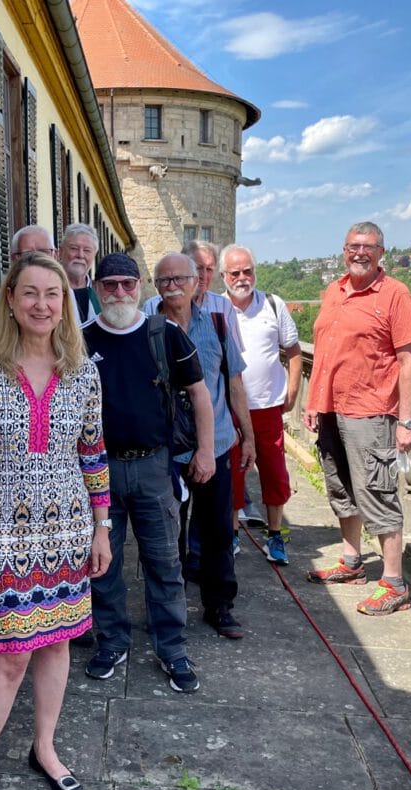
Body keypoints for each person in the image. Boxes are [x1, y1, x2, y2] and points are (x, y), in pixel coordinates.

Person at [0, 252, 111, 790]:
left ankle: (44, 746)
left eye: (53, 294)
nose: (42, 304)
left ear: (65, 303)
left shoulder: (83, 372)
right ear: (11, 301)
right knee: (9, 656)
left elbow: (92, 454)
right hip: (4, 531)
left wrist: (101, 526)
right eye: (30, 293)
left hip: (68, 528)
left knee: (59, 644)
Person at [83, 252, 214, 693]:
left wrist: (206, 452)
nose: (119, 292)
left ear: (140, 286)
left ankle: (172, 647)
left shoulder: (165, 334)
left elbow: (199, 395)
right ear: (97, 289)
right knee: (104, 562)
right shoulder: (79, 341)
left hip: (155, 467)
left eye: (127, 283)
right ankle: (112, 640)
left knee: (164, 561)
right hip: (97, 474)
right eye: (110, 285)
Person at [303, 221, 411, 616]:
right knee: (340, 488)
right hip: (332, 409)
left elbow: (408, 361)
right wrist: (314, 401)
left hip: (372, 412)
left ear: (381, 252)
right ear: (343, 250)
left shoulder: (394, 295)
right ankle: (352, 562)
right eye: (354, 246)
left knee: (378, 492)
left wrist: (406, 422)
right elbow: (324, 352)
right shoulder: (334, 291)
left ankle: (394, 582)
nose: (360, 253)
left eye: (368, 247)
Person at [154, 253, 255, 639]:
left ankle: (220, 606)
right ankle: (169, 607)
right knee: (168, 536)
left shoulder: (217, 322)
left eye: (181, 278)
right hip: (168, 450)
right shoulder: (149, 327)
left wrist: (248, 439)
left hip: (215, 445)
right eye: (165, 281)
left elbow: (233, 384)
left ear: (197, 282)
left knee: (216, 532)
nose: (173, 286)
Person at [221, 243, 302, 564]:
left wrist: (293, 391)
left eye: (248, 271)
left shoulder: (273, 304)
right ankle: (233, 535)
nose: (242, 278)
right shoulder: (218, 308)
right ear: (224, 276)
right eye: (235, 272)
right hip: (229, 408)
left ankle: (275, 535)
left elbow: (294, 351)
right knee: (232, 474)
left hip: (268, 406)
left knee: (274, 472)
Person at [0, 225, 80, 325]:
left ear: (55, 255)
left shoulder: (67, 296)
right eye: (28, 254)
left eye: (43, 252)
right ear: (15, 258)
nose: (36, 259)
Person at [60, 222, 100, 323]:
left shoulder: (100, 292)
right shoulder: (50, 289)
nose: (80, 255)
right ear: (61, 251)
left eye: (87, 250)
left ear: (94, 255)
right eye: (74, 248)